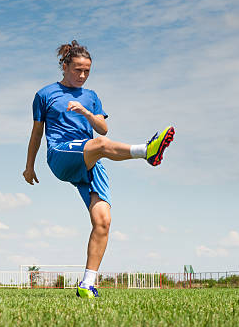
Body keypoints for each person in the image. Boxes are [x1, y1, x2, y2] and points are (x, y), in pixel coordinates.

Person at [23, 40, 174, 298]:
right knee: (101, 145)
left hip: (90, 157)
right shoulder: (45, 95)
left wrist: (85, 112)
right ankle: (146, 152)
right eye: (77, 70)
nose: (82, 75)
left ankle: (87, 283)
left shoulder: (91, 97)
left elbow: (103, 128)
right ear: (64, 66)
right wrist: (29, 166)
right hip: (62, 154)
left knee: (103, 221)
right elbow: (37, 133)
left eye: (87, 71)